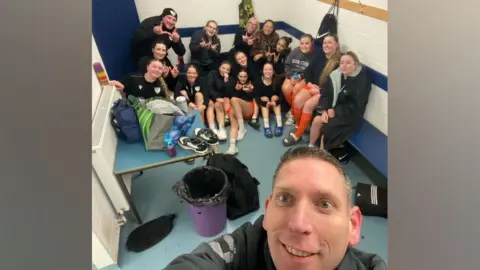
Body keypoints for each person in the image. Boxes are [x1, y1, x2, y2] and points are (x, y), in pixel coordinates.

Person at [163, 146, 387, 270]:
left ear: (353, 225)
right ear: (268, 211)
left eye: (324, 204)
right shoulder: (244, 249)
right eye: (286, 198)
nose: (299, 224)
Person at [283, 34, 341, 146]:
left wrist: (319, 90)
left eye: (330, 42)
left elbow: (333, 86)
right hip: (313, 85)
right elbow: (309, 72)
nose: (326, 45)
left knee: (308, 105)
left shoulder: (338, 62)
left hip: (324, 93)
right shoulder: (320, 56)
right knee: (297, 100)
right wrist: (309, 83)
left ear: (336, 44)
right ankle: (298, 126)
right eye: (324, 43)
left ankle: (297, 135)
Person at [309, 52, 372, 150]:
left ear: (355, 64)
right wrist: (325, 109)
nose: (344, 66)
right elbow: (325, 93)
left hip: (350, 115)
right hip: (333, 110)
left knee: (327, 129)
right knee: (317, 120)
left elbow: (356, 105)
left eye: (348, 63)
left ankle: (321, 157)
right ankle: (310, 147)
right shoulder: (336, 76)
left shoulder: (361, 81)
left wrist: (335, 111)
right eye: (342, 63)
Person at [281, 34, 317, 119]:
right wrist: (291, 76)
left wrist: (300, 77)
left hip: (305, 77)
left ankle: (293, 113)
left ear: (312, 43)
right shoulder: (295, 51)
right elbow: (287, 65)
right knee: (285, 88)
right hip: (292, 74)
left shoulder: (315, 56)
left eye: (307, 43)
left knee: (296, 88)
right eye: (302, 43)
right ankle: (294, 109)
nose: (304, 46)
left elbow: (312, 73)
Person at [223, 70, 255, 155]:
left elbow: (255, 97)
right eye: (241, 76)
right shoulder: (234, 84)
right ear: (237, 76)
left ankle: (242, 128)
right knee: (233, 124)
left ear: (247, 77)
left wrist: (249, 90)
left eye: (245, 76)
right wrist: (236, 90)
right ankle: (232, 146)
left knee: (234, 99)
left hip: (248, 109)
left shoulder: (251, 85)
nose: (243, 78)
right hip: (237, 111)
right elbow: (229, 95)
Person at [108, 59, 173, 100]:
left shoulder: (161, 86)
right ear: (147, 67)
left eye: (160, 68)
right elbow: (118, 85)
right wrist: (120, 87)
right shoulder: (132, 77)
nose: (156, 70)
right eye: (154, 67)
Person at [205, 61, 234, 140]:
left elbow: (229, 93)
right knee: (210, 104)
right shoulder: (212, 73)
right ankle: (212, 128)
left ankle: (222, 128)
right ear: (219, 68)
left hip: (221, 99)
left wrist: (226, 81)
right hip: (210, 95)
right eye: (223, 68)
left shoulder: (230, 78)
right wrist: (216, 97)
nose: (225, 71)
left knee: (218, 105)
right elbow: (209, 87)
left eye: (227, 70)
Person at [231, 51, 261, 129]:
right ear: (237, 62)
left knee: (256, 93)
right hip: (243, 94)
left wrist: (251, 88)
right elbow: (236, 84)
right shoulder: (236, 71)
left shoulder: (254, 66)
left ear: (246, 57)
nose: (242, 59)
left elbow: (257, 81)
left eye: (243, 57)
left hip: (255, 88)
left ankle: (254, 118)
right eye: (239, 59)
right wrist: (240, 88)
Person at [254, 62, 283, 138]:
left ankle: (279, 124)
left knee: (275, 97)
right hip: (264, 105)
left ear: (273, 71)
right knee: (264, 98)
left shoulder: (278, 80)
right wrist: (263, 103)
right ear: (262, 71)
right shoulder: (257, 80)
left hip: (275, 104)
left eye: (270, 69)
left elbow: (282, 96)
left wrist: (275, 102)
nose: (268, 71)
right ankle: (266, 126)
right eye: (265, 69)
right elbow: (256, 96)